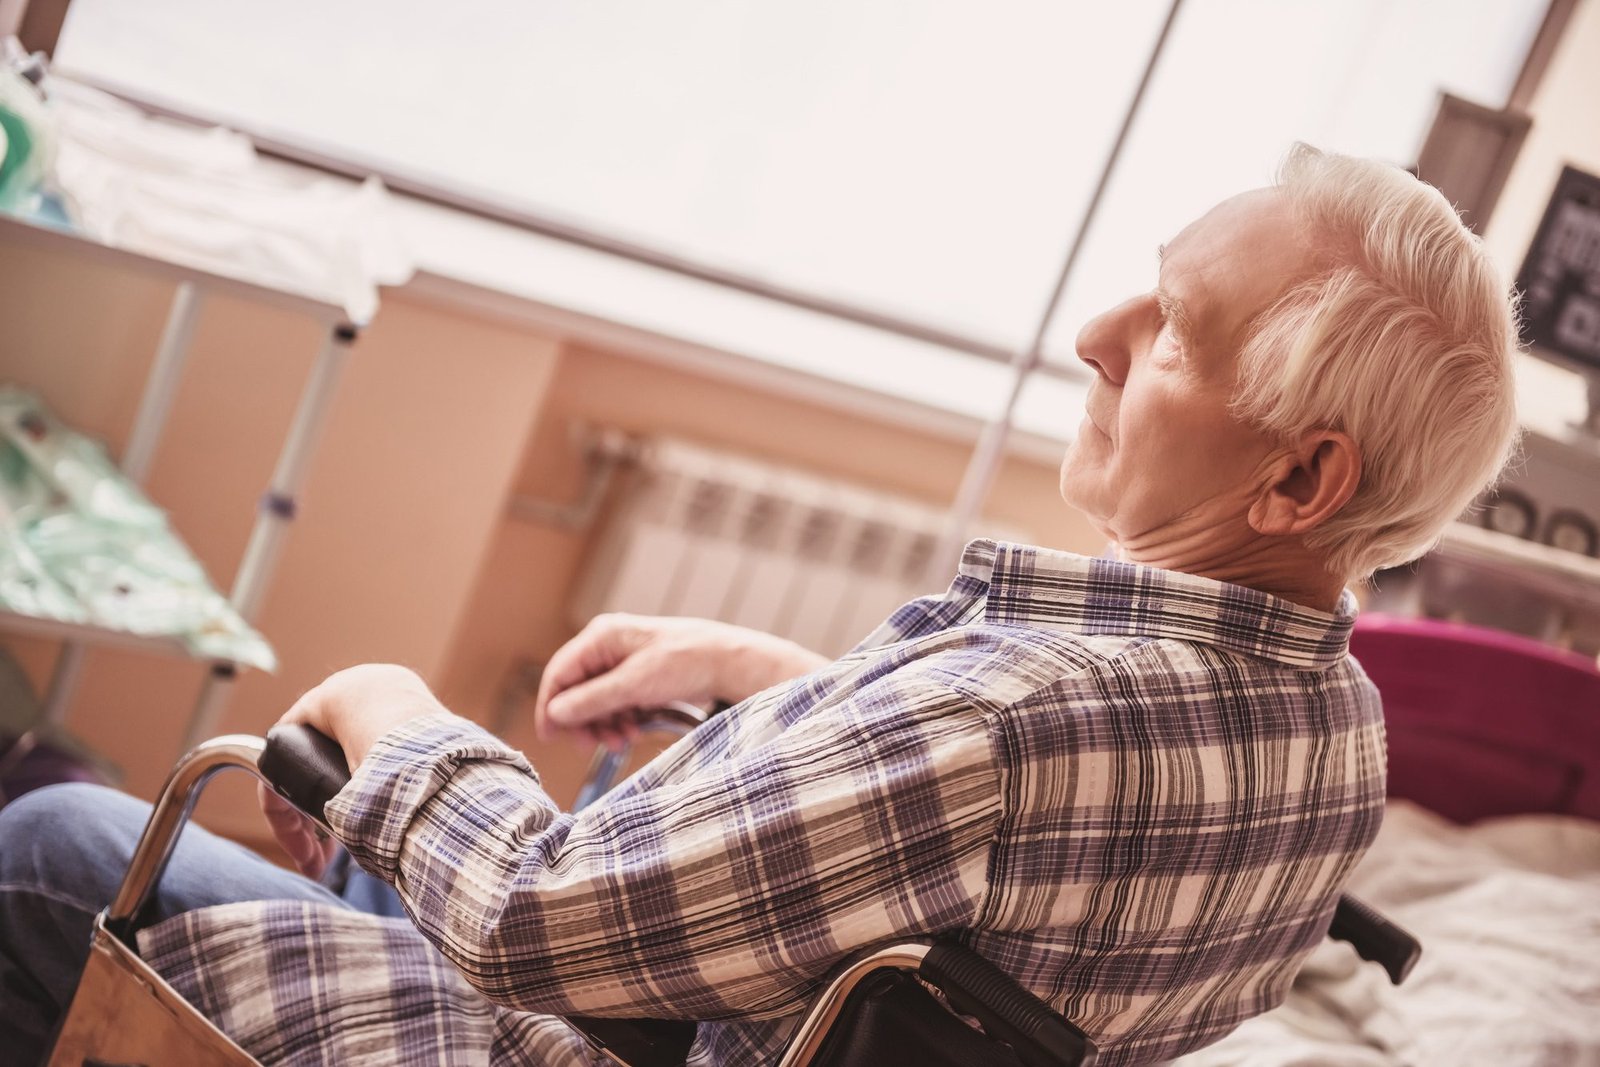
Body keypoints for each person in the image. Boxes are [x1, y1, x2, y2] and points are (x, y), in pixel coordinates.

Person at [0, 143, 1520, 1066]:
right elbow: (1037, 852)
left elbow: (535, 924)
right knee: (408, 830)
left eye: (1176, 333)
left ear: (1303, 480)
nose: (1095, 335)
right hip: (755, 1015)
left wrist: (386, 702)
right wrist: (777, 680)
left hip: (591, 1039)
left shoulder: (1006, 721)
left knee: (60, 844)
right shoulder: (1336, 737)